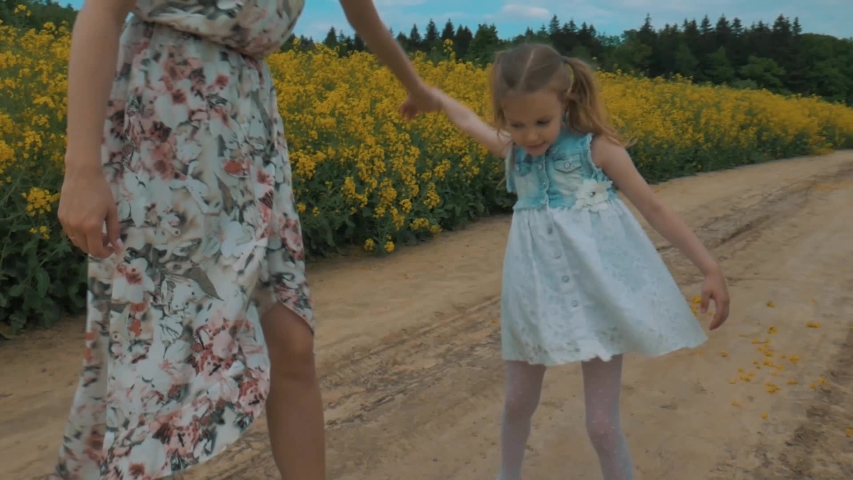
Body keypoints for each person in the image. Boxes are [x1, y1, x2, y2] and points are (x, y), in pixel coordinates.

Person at [54, 0, 440, 478]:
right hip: (163, 120)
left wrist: (415, 86)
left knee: (292, 340)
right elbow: (104, 9)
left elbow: (362, 14)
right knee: (154, 359)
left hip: (249, 122)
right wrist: (82, 168)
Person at [404, 43, 731, 480]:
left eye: (542, 121)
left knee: (600, 425)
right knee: (518, 403)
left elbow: (654, 208)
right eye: (516, 124)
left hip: (598, 296)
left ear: (567, 102)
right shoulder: (514, 154)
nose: (530, 136)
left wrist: (709, 267)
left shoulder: (599, 151)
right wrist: (432, 95)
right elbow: (467, 121)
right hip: (533, 294)